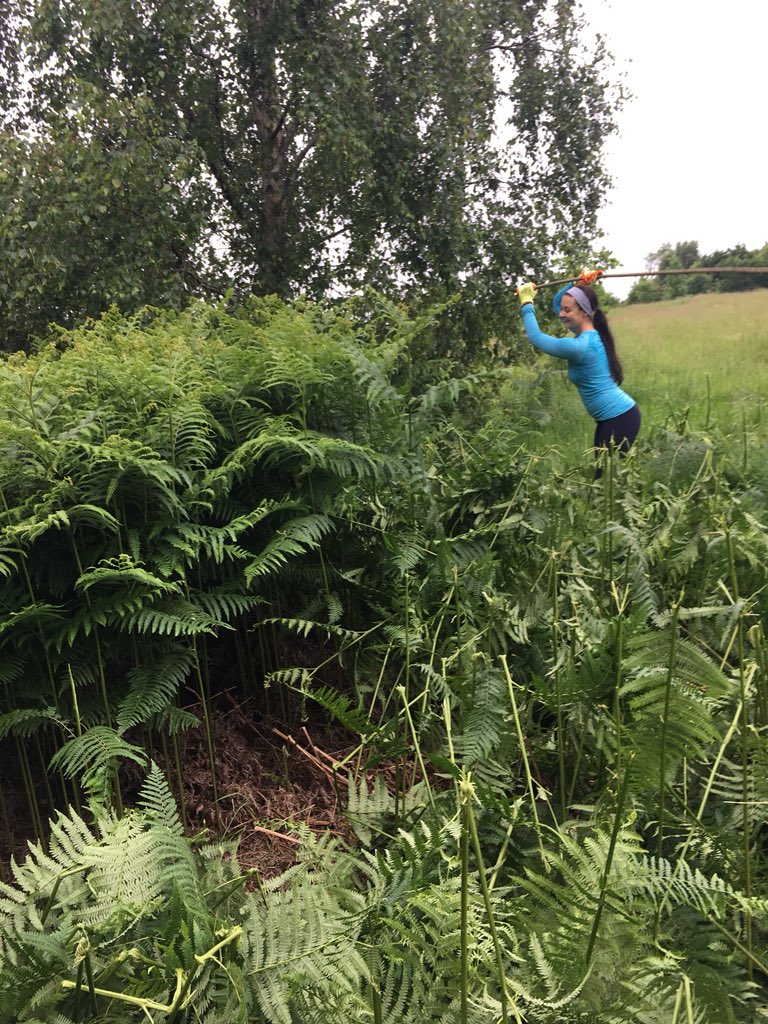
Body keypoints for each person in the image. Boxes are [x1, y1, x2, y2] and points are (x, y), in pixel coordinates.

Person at [516, 271, 641, 465]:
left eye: (567, 310)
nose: (560, 313)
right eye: (562, 310)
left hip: (619, 418)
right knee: (605, 481)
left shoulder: (579, 347)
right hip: (614, 418)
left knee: (606, 481)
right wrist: (576, 283)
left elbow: (536, 337)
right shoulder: (589, 336)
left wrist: (526, 303)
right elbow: (557, 303)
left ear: (584, 312)